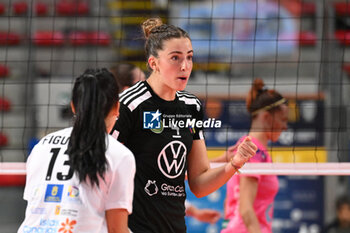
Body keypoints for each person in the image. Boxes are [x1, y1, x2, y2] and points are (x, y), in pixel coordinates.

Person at [110, 17, 258, 233]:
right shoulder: (130, 104)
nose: (185, 66)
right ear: (154, 63)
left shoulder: (191, 106)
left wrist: (235, 163)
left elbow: (198, 183)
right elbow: (103, 171)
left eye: (189, 57)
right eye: (175, 58)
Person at [18, 69, 135, 233]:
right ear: (117, 107)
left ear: (73, 106)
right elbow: (116, 230)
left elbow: (35, 206)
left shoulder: (42, 145)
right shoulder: (120, 155)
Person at [218, 78, 289, 233]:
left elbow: (228, 204)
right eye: (283, 119)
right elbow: (245, 209)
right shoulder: (254, 150)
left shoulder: (248, 146)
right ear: (266, 117)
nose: (285, 126)